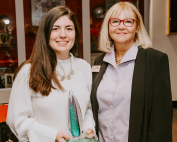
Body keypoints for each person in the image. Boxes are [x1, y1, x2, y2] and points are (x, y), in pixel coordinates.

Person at [6, 6, 95, 142]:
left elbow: (87, 108)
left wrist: (89, 128)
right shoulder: (29, 71)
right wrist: (51, 135)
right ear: (46, 33)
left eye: (69, 28)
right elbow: (17, 120)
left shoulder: (84, 67)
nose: (63, 34)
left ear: (75, 33)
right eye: (55, 28)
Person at [91, 2, 172, 142]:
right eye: (115, 21)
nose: (121, 26)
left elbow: (161, 119)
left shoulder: (155, 61)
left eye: (128, 21)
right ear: (108, 26)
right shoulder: (99, 62)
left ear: (137, 27)